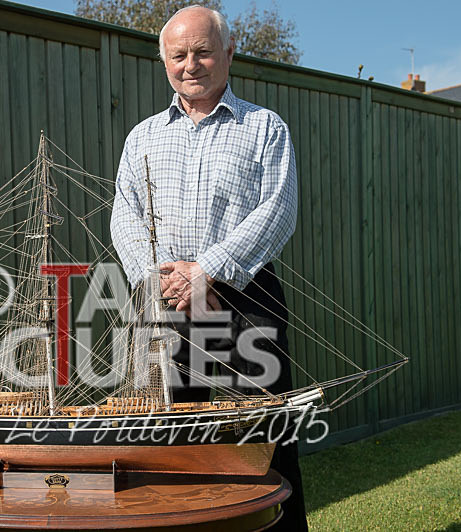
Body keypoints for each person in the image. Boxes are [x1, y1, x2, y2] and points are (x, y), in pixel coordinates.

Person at [110, 5, 307, 530]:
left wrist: (208, 272)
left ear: (228, 54)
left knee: (263, 443)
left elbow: (278, 209)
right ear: (164, 62)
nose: (190, 64)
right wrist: (164, 283)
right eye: (178, 55)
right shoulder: (142, 138)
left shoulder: (265, 128)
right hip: (162, 307)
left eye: (202, 51)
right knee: (165, 443)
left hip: (243, 298)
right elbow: (124, 217)